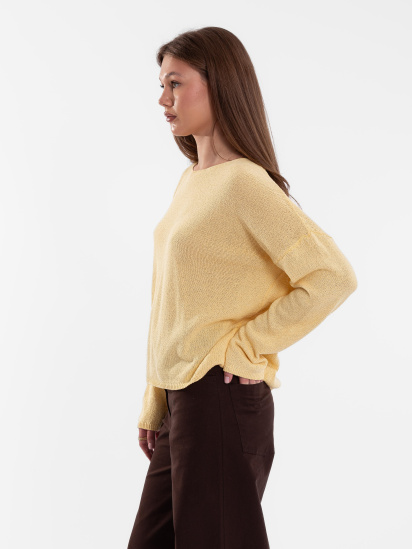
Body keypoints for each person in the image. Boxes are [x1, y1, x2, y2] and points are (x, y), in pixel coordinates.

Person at [127, 26, 357, 549]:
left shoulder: (244, 182)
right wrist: (155, 398)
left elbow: (332, 276)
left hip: (220, 397)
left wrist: (248, 346)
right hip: (186, 401)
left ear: (219, 84)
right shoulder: (192, 180)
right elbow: (174, 302)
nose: (163, 99)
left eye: (175, 83)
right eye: (162, 86)